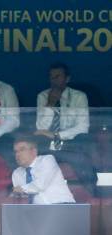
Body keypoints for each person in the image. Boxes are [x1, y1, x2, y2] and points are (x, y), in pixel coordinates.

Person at [34, 62, 96, 192]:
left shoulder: (79, 96)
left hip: (71, 145)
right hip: (48, 146)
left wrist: (57, 135)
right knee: (35, 164)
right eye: (52, 77)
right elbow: (40, 127)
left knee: (82, 162)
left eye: (58, 76)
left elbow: (83, 127)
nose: (54, 80)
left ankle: (92, 197)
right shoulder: (43, 96)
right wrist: (50, 104)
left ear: (67, 79)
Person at [11, 136, 75, 204]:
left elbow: (40, 185)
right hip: (37, 211)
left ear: (34, 151)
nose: (17, 154)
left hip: (63, 206)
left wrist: (22, 189)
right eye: (16, 151)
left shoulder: (47, 160)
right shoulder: (16, 173)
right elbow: (20, 197)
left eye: (22, 149)